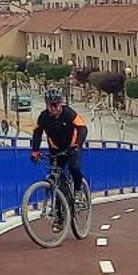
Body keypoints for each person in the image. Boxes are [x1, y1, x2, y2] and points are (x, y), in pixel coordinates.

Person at [30, 89, 88, 228]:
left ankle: (78, 192)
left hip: (72, 147)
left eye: (57, 104)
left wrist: (77, 144)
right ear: (47, 105)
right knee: (56, 181)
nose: (54, 107)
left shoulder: (68, 113)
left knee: (74, 167)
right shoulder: (43, 117)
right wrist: (35, 151)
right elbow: (37, 133)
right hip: (55, 150)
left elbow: (82, 128)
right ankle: (60, 217)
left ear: (61, 103)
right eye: (51, 104)